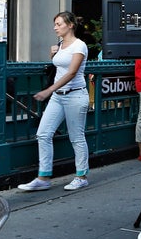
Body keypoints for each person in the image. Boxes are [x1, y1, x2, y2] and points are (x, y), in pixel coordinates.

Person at [18, 11, 91, 192]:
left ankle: (81, 176)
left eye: (59, 24)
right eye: (55, 24)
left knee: (76, 137)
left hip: (75, 95)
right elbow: (59, 67)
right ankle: (43, 177)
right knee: (43, 133)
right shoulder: (60, 44)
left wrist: (48, 90)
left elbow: (72, 72)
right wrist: (53, 55)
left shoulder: (79, 46)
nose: (55, 27)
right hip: (58, 97)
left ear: (70, 25)